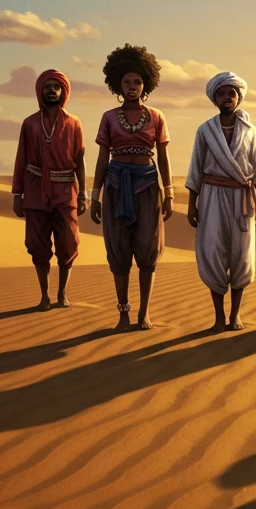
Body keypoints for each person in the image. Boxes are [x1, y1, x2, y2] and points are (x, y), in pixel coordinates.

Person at [90, 44, 173, 331]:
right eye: (126, 81)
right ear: (117, 83)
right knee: (119, 250)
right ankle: (123, 314)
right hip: (114, 185)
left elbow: (163, 157)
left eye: (137, 81)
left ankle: (144, 314)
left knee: (148, 251)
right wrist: (95, 195)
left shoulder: (157, 117)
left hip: (148, 186)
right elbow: (102, 158)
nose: (132, 86)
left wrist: (170, 192)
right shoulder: (109, 117)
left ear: (146, 83)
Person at [186, 71, 256, 332]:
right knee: (213, 250)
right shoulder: (205, 130)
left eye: (231, 93)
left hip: (242, 197)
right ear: (214, 98)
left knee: (241, 255)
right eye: (221, 93)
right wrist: (192, 203)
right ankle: (219, 317)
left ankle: (235, 316)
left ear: (238, 97)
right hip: (211, 194)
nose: (227, 97)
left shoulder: (250, 130)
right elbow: (196, 168)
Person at [11, 69, 86, 309]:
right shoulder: (30, 123)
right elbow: (21, 159)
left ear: (64, 91)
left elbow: (80, 160)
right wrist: (16, 194)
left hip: (65, 189)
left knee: (68, 243)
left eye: (57, 87)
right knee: (36, 244)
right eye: (47, 87)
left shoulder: (74, 123)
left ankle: (62, 293)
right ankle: (44, 296)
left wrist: (84, 193)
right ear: (40, 91)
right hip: (34, 189)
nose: (52, 91)